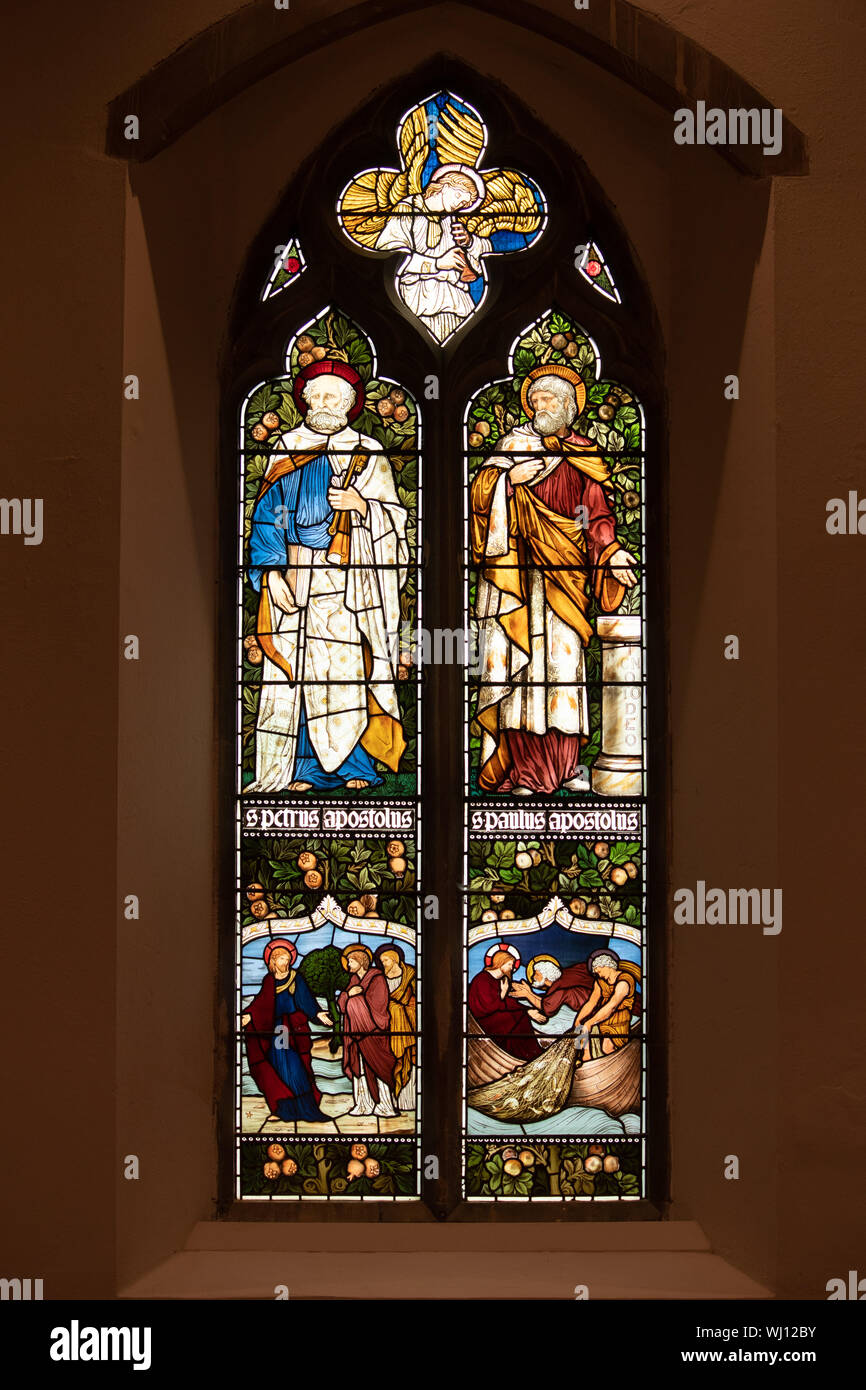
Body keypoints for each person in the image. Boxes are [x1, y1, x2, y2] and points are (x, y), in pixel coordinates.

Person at [471, 364, 639, 794]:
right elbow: (479, 497)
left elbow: (597, 516)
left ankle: (563, 768)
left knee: (563, 669)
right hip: (520, 578)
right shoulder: (512, 446)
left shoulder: (583, 453)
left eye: (549, 400)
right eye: (536, 399)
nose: (539, 406)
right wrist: (509, 480)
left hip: (567, 576)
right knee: (521, 672)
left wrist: (613, 550)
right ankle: (522, 772)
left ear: (568, 407)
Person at [246, 360, 408, 793]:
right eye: (315, 395)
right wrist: (270, 571)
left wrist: (361, 506)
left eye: (332, 396)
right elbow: (267, 515)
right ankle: (302, 769)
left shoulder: (367, 452)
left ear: (351, 404)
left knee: (346, 669)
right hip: (295, 572)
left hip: (350, 578)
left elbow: (394, 519)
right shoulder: (288, 446)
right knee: (295, 667)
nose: (322, 403)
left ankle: (354, 764)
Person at [374, 164, 491, 343]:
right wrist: (436, 263)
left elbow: (486, 251)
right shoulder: (407, 210)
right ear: (443, 186)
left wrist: (469, 242)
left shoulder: (451, 220)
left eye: (463, 204)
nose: (457, 204)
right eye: (458, 195)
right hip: (418, 299)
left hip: (456, 300)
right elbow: (389, 256)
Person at [242, 939, 333, 1123]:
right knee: (278, 1069)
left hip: (290, 1028)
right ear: (273, 961)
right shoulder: (269, 980)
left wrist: (317, 1014)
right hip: (275, 1030)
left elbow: (306, 1001)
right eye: (282, 958)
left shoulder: (295, 978)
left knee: (295, 1068)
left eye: (288, 957)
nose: (286, 961)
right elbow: (261, 1003)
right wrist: (250, 1016)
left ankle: (309, 1109)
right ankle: (282, 1110)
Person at [338, 945, 398, 1117]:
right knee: (360, 1068)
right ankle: (363, 1104)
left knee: (377, 1066)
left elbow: (380, 1006)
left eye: (351, 961)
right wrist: (349, 995)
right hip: (355, 1034)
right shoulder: (354, 980)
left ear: (361, 961)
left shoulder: (377, 978)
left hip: (373, 1033)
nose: (348, 964)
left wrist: (357, 1001)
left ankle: (385, 1105)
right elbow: (342, 1004)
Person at [467, 942, 542, 1062]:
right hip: (483, 1020)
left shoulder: (499, 980)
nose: (511, 968)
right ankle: (525, 1054)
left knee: (519, 1015)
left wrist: (527, 1010)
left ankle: (528, 1053)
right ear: (500, 963)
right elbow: (488, 1007)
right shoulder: (482, 979)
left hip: (493, 1015)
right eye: (509, 964)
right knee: (517, 1017)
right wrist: (502, 994)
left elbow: (507, 1003)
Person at [573, 949, 641, 1059]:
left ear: (607, 965)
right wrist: (578, 1019)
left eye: (599, 971)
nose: (598, 974)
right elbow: (591, 1002)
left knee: (607, 1047)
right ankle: (585, 1057)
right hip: (602, 1016)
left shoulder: (625, 980)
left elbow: (612, 1006)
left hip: (619, 1019)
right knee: (581, 1030)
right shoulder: (600, 982)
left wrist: (590, 1022)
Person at [375, 944, 417, 1111]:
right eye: (381, 961)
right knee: (392, 1061)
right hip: (386, 1025)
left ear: (395, 959)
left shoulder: (411, 975)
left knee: (408, 1060)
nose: (383, 963)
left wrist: (402, 1008)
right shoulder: (380, 977)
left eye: (385, 960)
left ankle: (408, 1102)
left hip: (408, 1024)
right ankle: (392, 1100)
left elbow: (419, 1000)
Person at [511, 953, 594, 1028]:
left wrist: (527, 994)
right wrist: (529, 992)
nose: (533, 977)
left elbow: (547, 1008)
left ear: (546, 977)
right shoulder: (563, 978)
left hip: (591, 1013)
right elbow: (547, 1001)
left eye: (536, 974)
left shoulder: (560, 989)